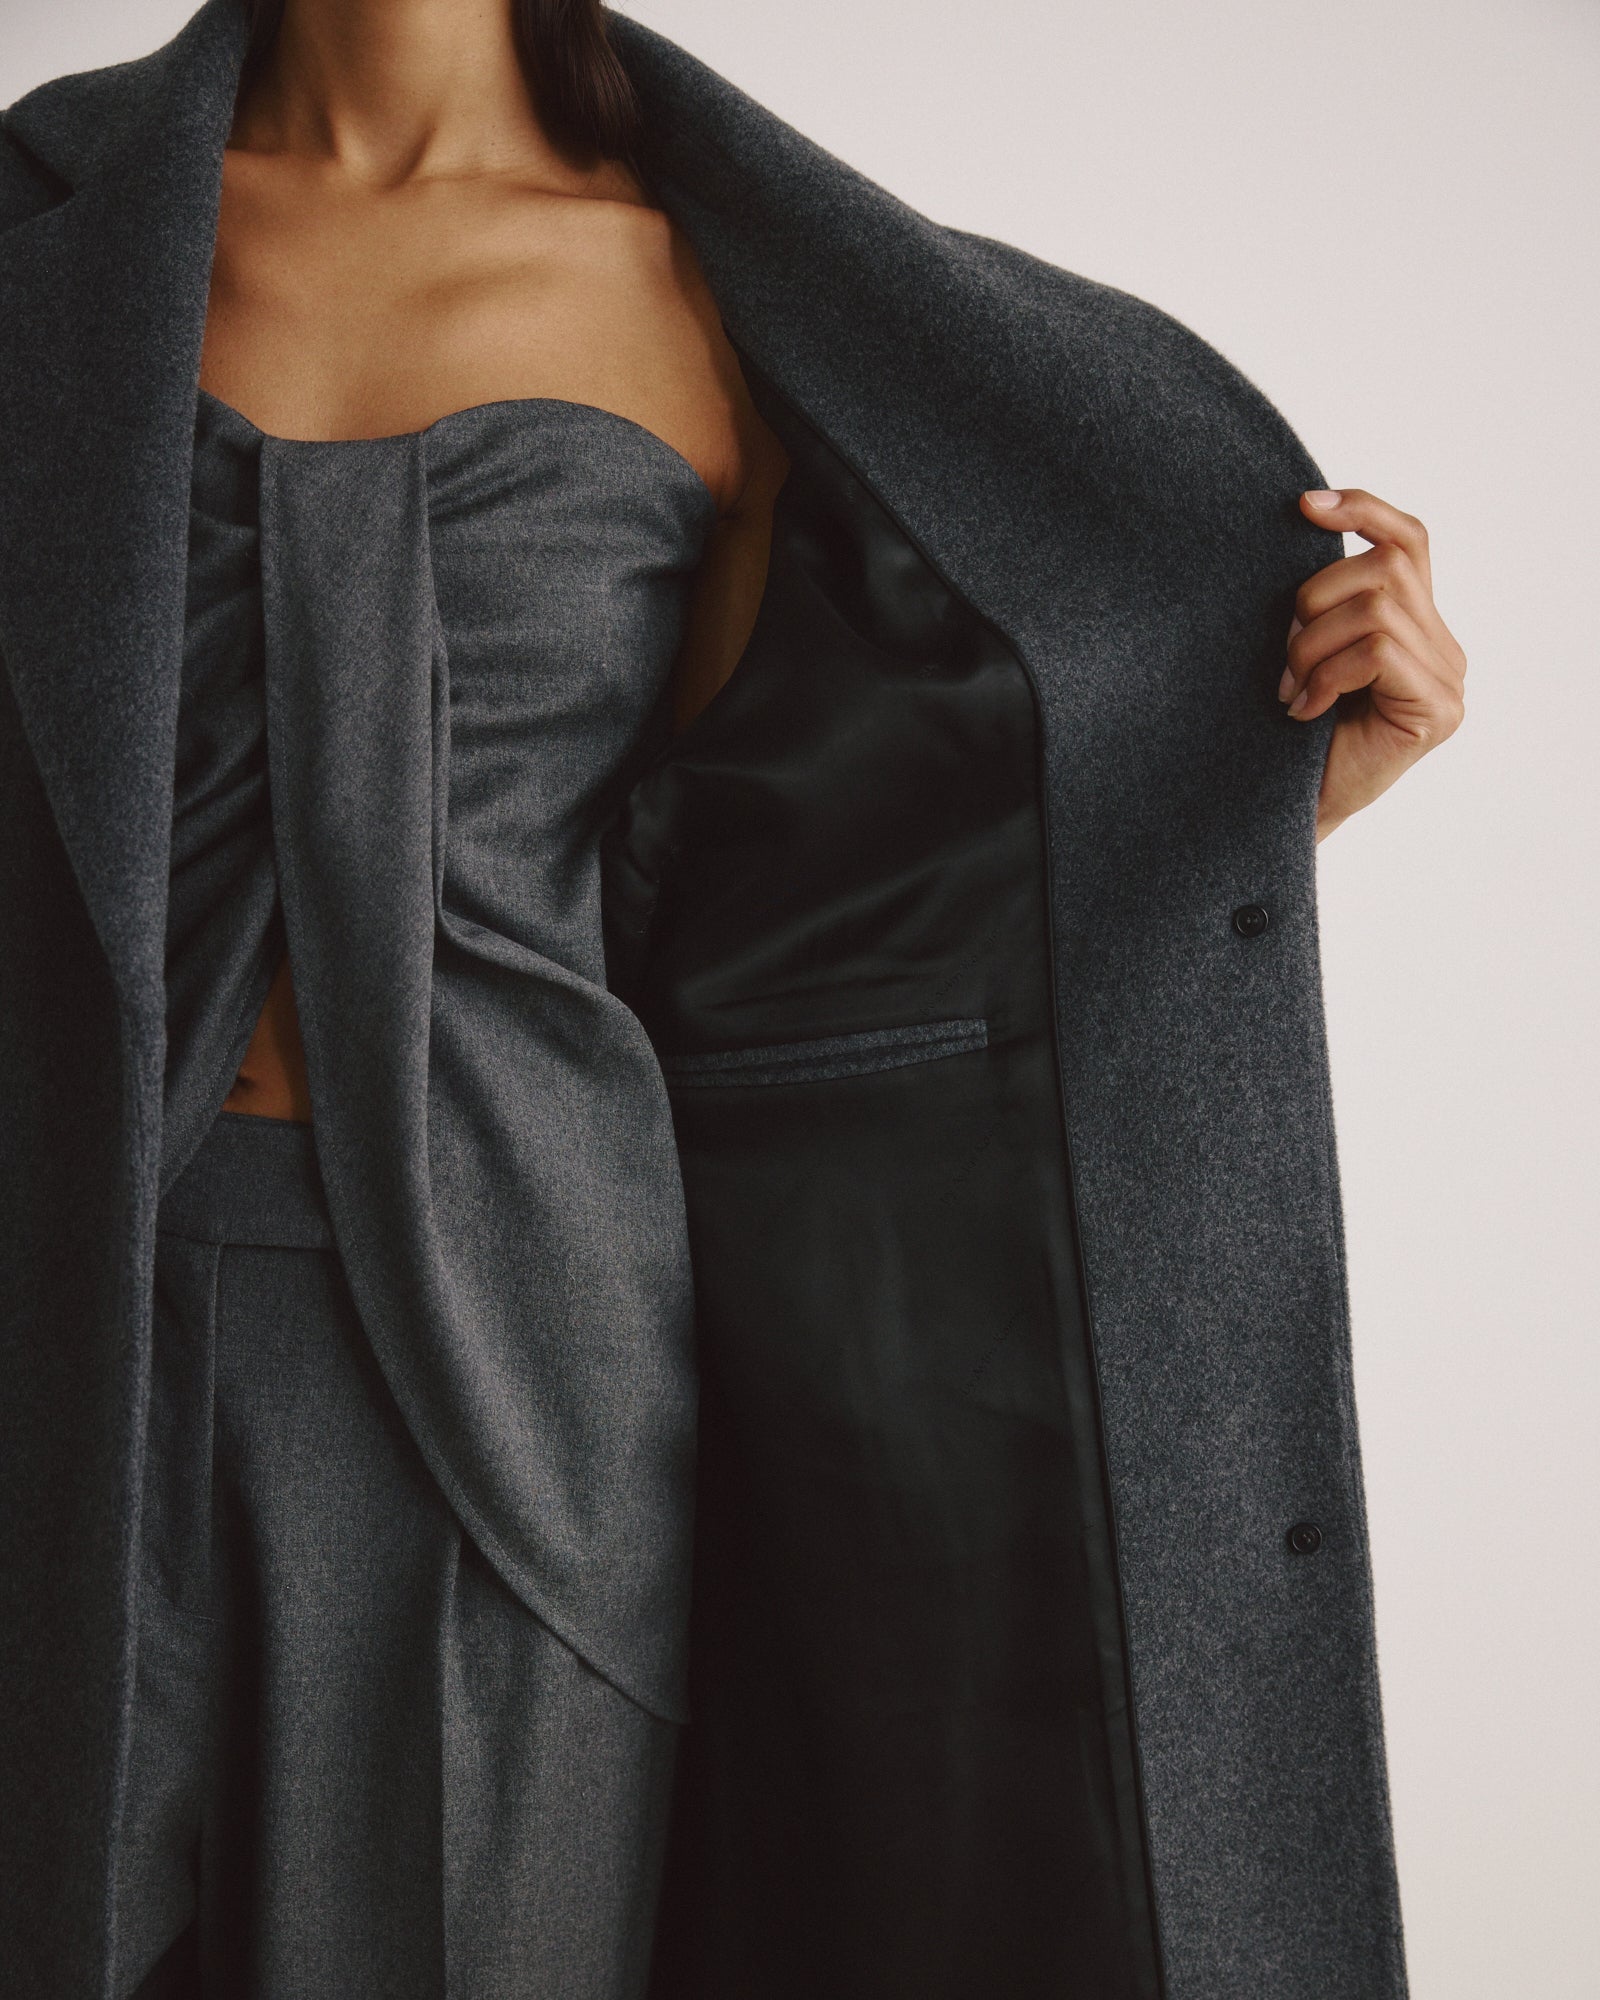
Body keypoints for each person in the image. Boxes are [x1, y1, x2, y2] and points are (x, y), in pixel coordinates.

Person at [0, 2, 1467, 1995]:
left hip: (531, 1354)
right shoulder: (51, 227)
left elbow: (802, 898)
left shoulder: (701, 298)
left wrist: (1273, 798)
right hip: (70, 1302)